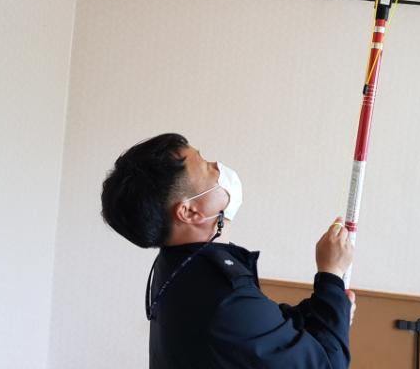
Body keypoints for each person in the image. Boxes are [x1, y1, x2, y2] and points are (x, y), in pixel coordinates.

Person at [101, 133, 356, 368]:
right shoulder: (225, 297)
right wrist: (331, 272)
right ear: (189, 211)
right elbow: (327, 364)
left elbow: (267, 332)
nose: (217, 166)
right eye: (205, 166)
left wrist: (333, 308)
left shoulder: (178, 265)